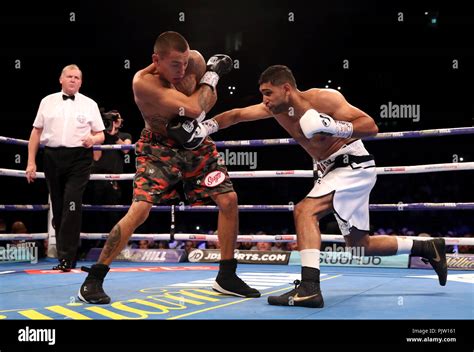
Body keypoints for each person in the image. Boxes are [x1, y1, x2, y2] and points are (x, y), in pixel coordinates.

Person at [190, 65, 448, 308]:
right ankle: (426, 247)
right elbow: (236, 115)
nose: (265, 100)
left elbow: (370, 126)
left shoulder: (324, 99)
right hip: (339, 170)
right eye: (262, 94)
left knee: (305, 210)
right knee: (361, 246)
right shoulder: (275, 110)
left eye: (268, 93)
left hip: (352, 163)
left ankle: (309, 288)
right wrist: (204, 128)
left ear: (287, 88)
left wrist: (333, 126)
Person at [78, 31, 260, 304]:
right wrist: (212, 76)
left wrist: (203, 89)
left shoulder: (195, 62)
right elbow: (193, 105)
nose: (183, 69)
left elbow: (207, 103)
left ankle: (227, 276)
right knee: (140, 210)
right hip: (158, 148)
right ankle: (94, 279)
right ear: (156, 60)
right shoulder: (143, 82)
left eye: (186, 63)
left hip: (196, 143)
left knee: (229, 199)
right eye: (176, 65)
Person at [26, 64, 105, 272]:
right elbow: (36, 133)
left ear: (81, 81)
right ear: (61, 79)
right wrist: (31, 162)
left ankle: (67, 258)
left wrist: (92, 138)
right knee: (59, 208)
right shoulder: (47, 101)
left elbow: (101, 134)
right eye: (69, 76)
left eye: (77, 77)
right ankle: (64, 255)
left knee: (72, 203)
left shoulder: (90, 104)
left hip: (79, 158)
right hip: (52, 157)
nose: (73, 80)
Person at [85, 109, 133, 232]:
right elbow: (96, 157)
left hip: (114, 179)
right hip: (98, 177)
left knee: (113, 213)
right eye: (113, 118)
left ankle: (114, 241)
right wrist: (100, 133)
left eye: (117, 118)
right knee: (95, 211)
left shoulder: (125, 135)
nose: (116, 120)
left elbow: (126, 149)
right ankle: (94, 243)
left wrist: (113, 135)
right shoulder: (100, 136)